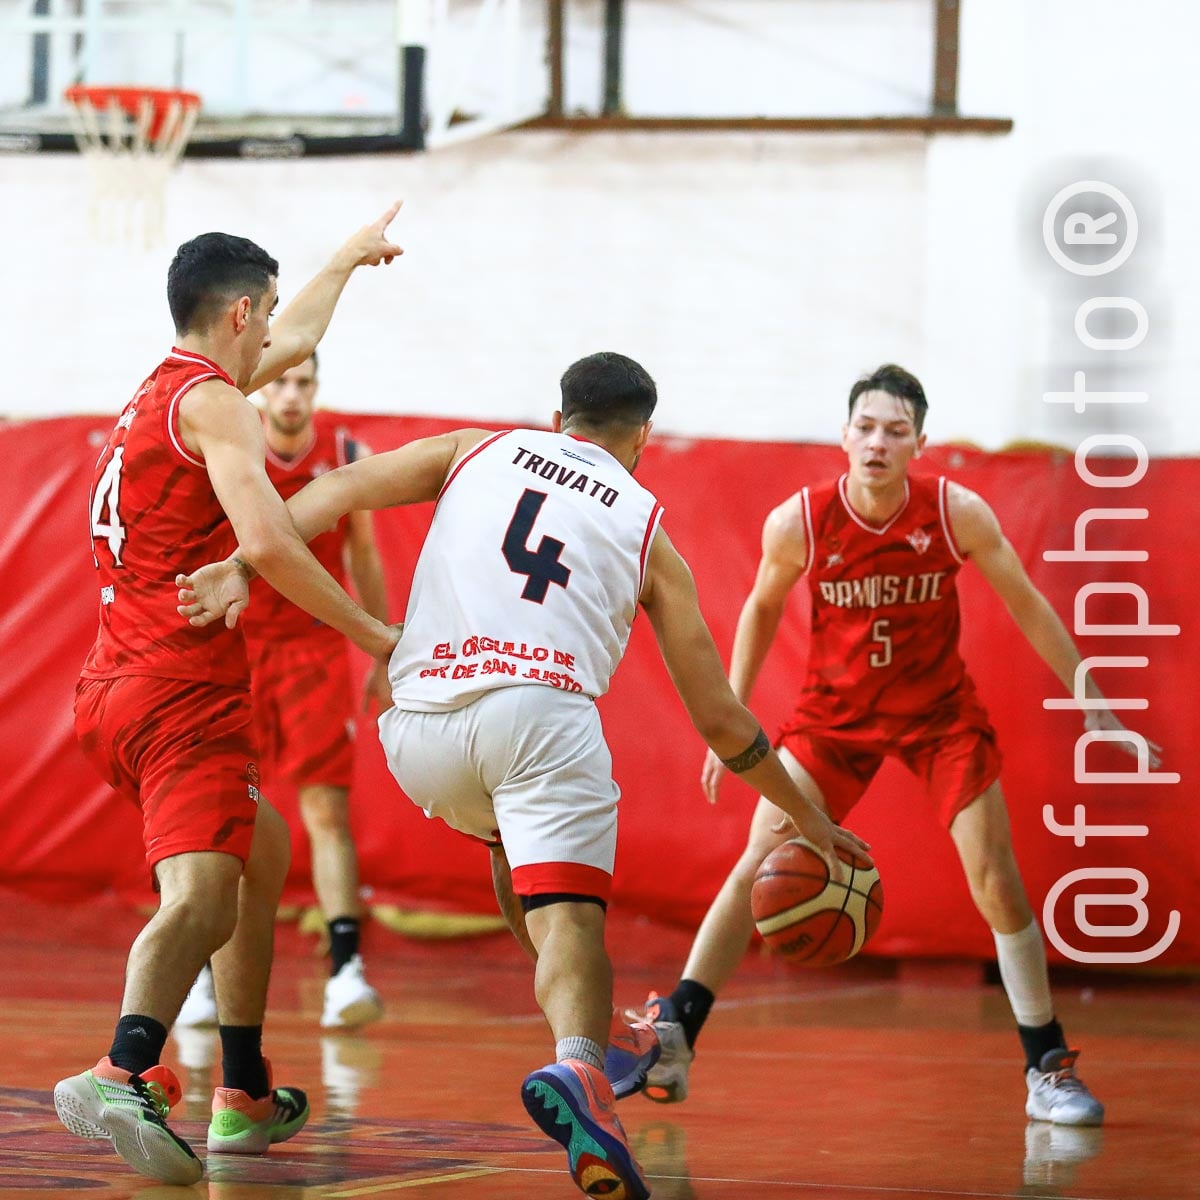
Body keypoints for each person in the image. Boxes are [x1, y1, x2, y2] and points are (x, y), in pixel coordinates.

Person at [177, 351, 873, 1200]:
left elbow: (334, 491)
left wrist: (246, 562)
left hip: (420, 734)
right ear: (641, 438)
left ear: (557, 419)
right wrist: (808, 817)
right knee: (574, 924)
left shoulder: (477, 447)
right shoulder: (648, 524)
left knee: (515, 850)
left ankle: (600, 1046)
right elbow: (722, 721)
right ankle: (582, 1065)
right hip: (538, 717)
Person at [634, 364, 1161, 1128]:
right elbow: (758, 609)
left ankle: (1047, 1064)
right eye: (866, 427)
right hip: (833, 720)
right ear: (844, 434)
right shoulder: (800, 521)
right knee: (762, 857)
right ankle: (678, 1034)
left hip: (938, 715)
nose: (878, 441)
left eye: (896, 430)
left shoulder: (955, 512)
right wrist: (733, 716)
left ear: (919, 442)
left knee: (996, 878)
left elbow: (1027, 601)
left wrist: (1095, 702)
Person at [55, 206, 403, 1186]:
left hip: (116, 681)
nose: (279, 339)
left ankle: (243, 1088)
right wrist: (378, 635)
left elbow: (294, 340)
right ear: (241, 312)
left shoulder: (158, 393)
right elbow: (268, 541)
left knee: (269, 852)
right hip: (179, 688)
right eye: (271, 317)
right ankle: (123, 1067)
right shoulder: (220, 407)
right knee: (205, 897)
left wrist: (342, 260)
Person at [177, 349, 389, 1033]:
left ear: (317, 389)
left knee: (327, 812)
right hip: (239, 644)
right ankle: (204, 977)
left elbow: (364, 554)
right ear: (266, 394)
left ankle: (345, 972)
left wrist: (378, 645)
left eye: (304, 382)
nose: (293, 395)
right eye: (283, 383)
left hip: (316, 650)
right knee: (226, 813)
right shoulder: (230, 444)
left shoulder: (346, 450)